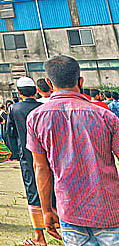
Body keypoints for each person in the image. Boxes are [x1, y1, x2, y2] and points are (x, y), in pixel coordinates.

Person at [28, 55, 119, 245]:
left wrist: (46, 210)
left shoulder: (36, 118)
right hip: (110, 210)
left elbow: (41, 169)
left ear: (48, 83)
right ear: (80, 81)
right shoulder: (105, 116)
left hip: (70, 212)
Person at [6, 78, 49, 246]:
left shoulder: (14, 109)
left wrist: (15, 153)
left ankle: (39, 236)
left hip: (27, 154)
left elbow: (10, 132)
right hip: (47, 154)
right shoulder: (43, 107)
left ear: (19, 93)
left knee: (32, 190)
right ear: (35, 91)